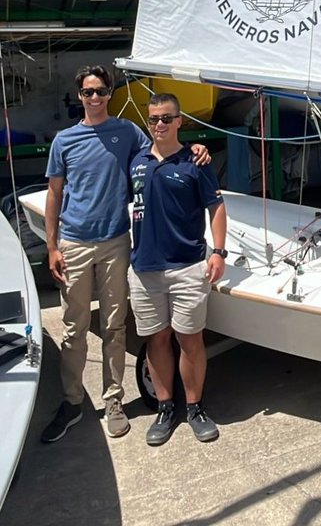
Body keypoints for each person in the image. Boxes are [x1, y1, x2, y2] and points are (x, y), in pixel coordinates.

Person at [42, 65, 210, 444]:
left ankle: (114, 400)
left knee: (115, 327)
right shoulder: (64, 141)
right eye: (88, 92)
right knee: (73, 329)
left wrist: (196, 148)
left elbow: (161, 149)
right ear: (80, 96)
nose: (95, 98)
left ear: (110, 94)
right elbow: (54, 193)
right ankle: (71, 403)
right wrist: (52, 246)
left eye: (101, 91)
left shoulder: (127, 132)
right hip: (75, 242)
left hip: (117, 241)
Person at [128, 93, 227, 446]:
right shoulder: (136, 161)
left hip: (187, 266)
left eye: (166, 118)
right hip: (145, 268)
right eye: (153, 119)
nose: (159, 125)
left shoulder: (195, 162)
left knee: (190, 340)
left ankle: (196, 407)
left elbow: (216, 207)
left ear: (179, 120)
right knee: (156, 339)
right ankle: (165, 407)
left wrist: (218, 251)